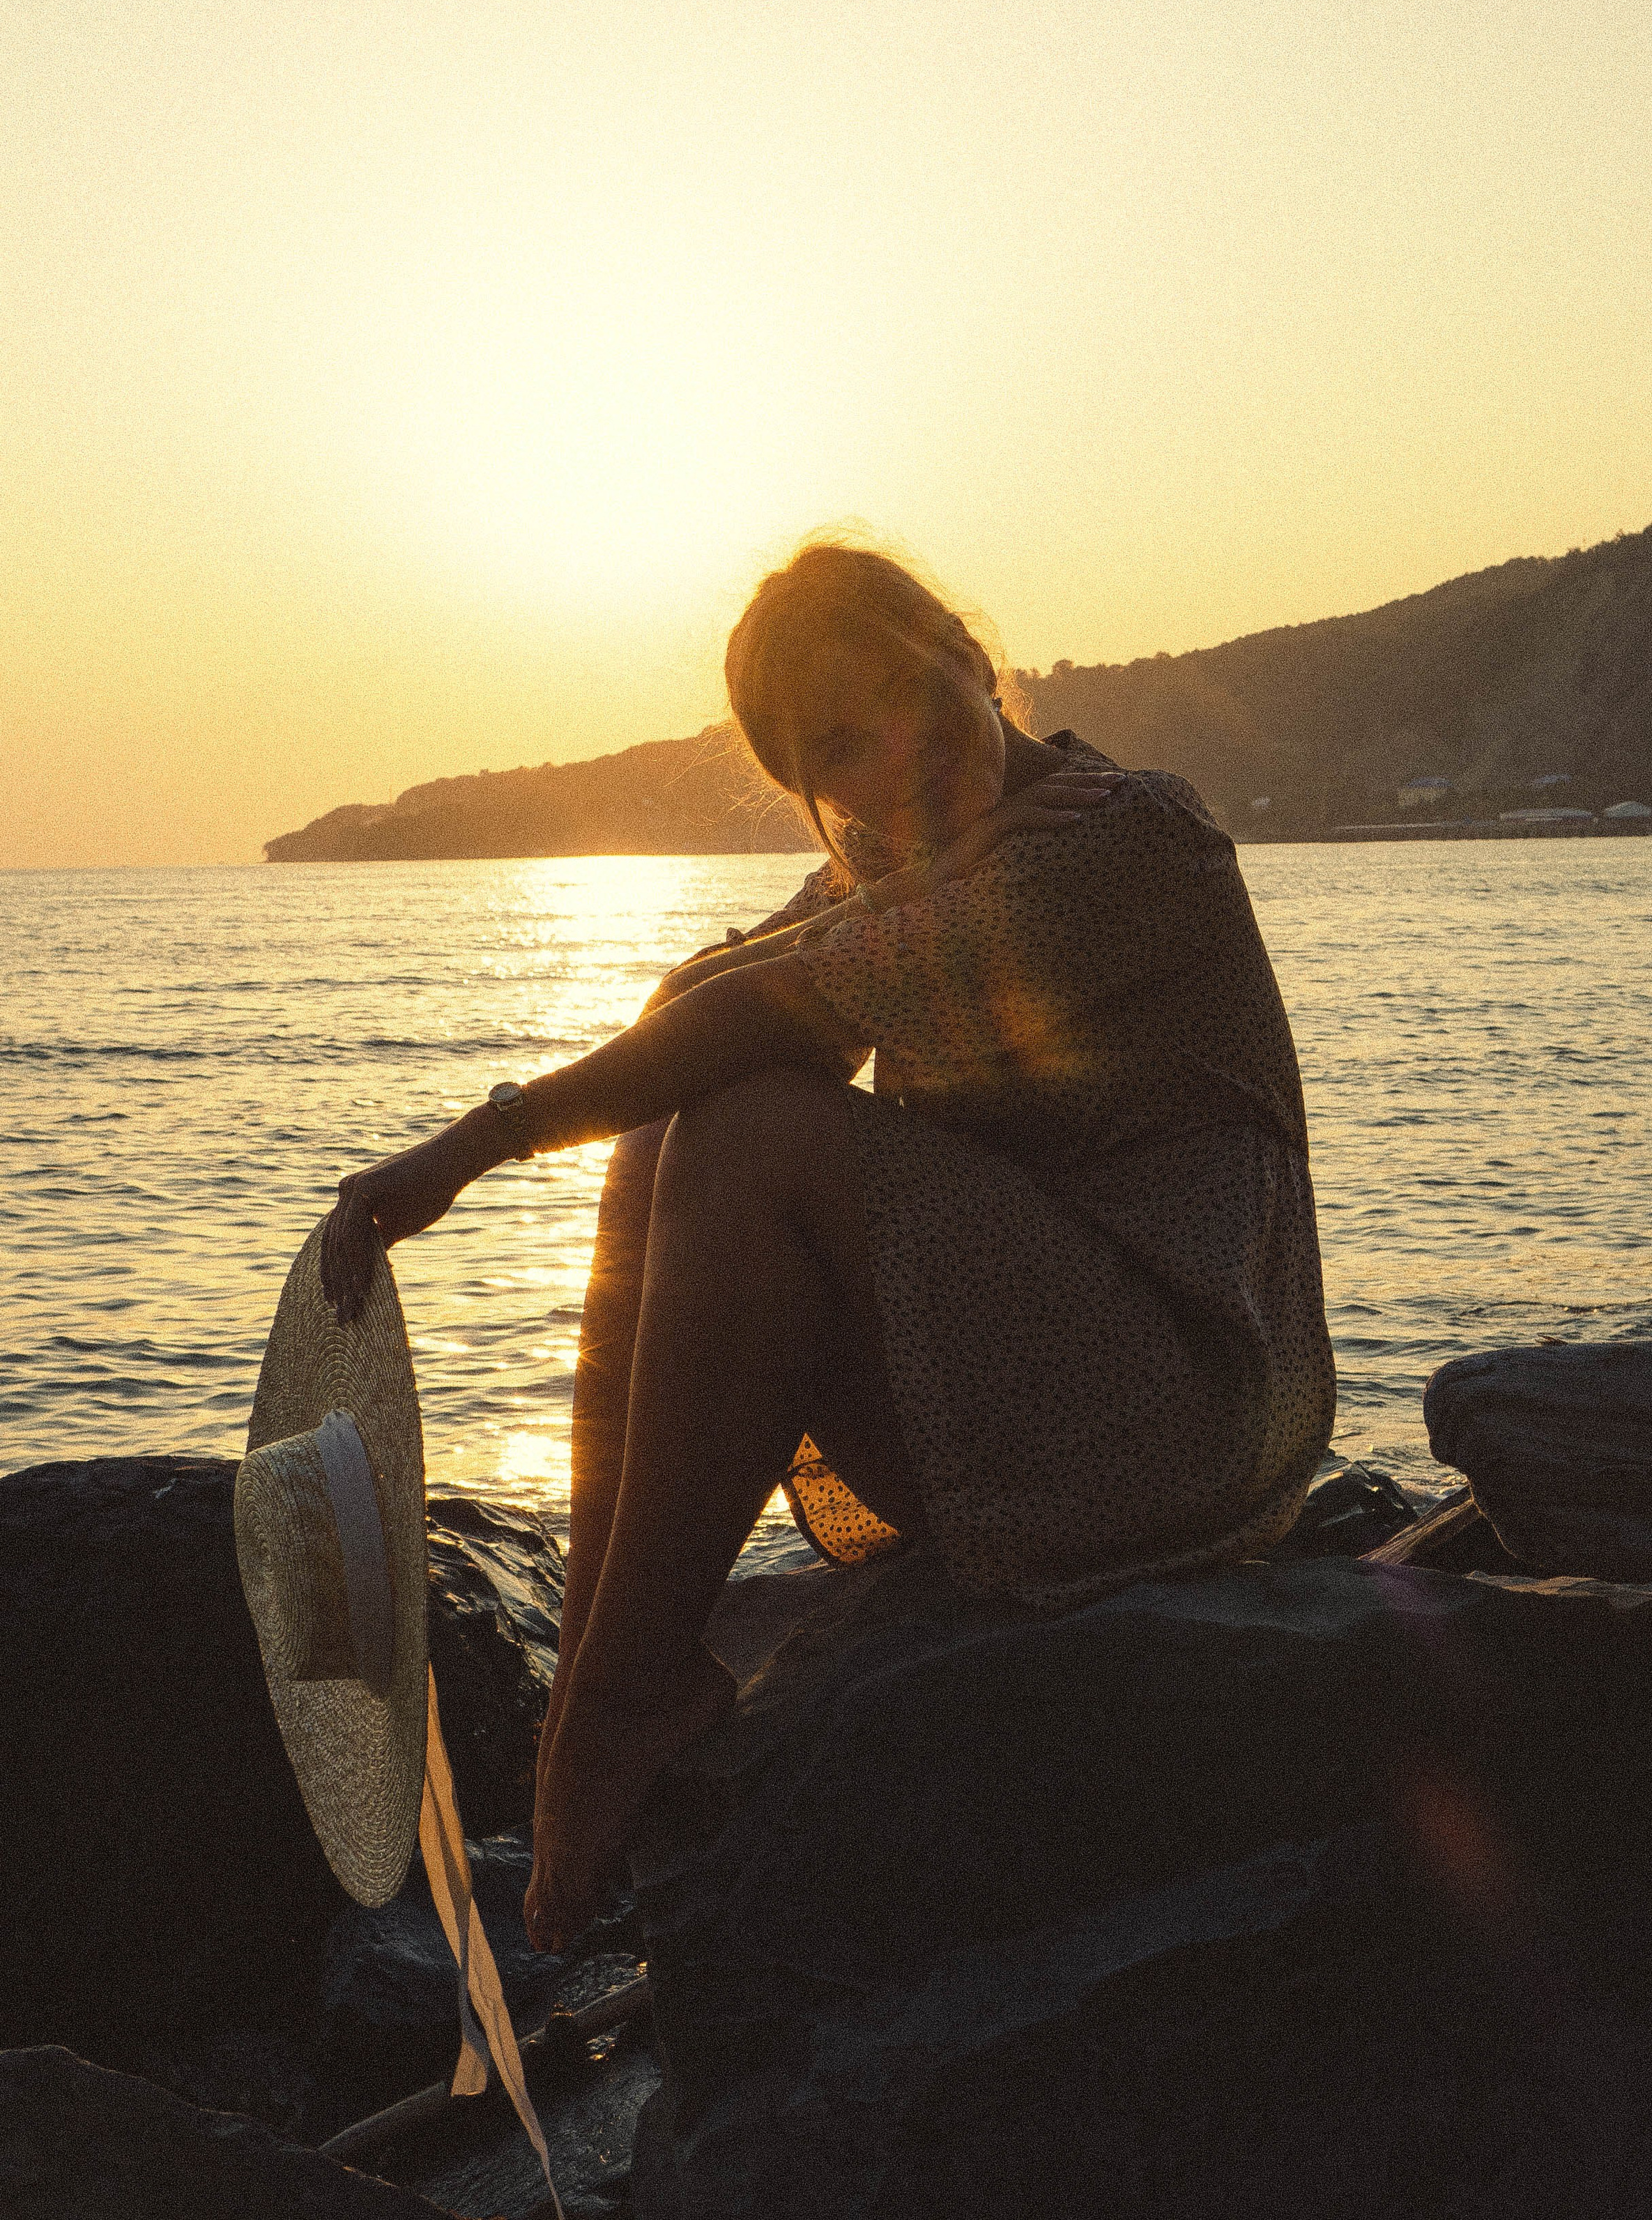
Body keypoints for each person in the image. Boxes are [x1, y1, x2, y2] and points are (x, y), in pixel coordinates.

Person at [320, 542, 1334, 1952]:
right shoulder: (900, 866)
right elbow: (734, 993)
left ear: (961, 658)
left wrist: (479, 1142)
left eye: (885, 715)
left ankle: (612, 1704)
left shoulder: (1129, 839)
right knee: (670, 1127)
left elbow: (778, 1012)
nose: (877, 773)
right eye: (829, 758)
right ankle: (604, 1695)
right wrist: (721, 979)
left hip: (1184, 1408)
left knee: (745, 1129)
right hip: (1022, 1404)